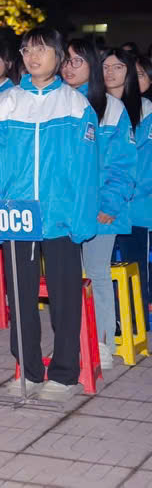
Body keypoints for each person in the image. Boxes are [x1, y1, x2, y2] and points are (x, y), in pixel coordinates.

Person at [0, 27, 100, 401]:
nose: (33, 57)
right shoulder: (7, 103)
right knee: (21, 299)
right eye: (26, 50)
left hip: (61, 217)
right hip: (17, 217)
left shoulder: (75, 105)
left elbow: (87, 169)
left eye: (41, 50)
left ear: (58, 57)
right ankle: (29, 371)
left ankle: (64, 374)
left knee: (65, 299)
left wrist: (81, 219)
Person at [62, 38, 135, 370]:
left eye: (77, 61)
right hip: (62, 210)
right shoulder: (57, 103)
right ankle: (73, 340)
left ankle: (102, 341)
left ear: (92, 65)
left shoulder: (111, 108)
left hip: (99, 211)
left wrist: (110, 204)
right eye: (65, 60)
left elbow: (123, 164)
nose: (68, 67)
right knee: (67, 276)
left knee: (96, 273)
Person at [111, 47, 152, 336]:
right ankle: (115, 320)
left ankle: (136, 321)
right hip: (111, 205)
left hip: (138, 207)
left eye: (140, 74)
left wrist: (130, 192)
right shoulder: (105, 107)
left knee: (136, 268)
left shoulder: (146, 113)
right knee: (111, 268)